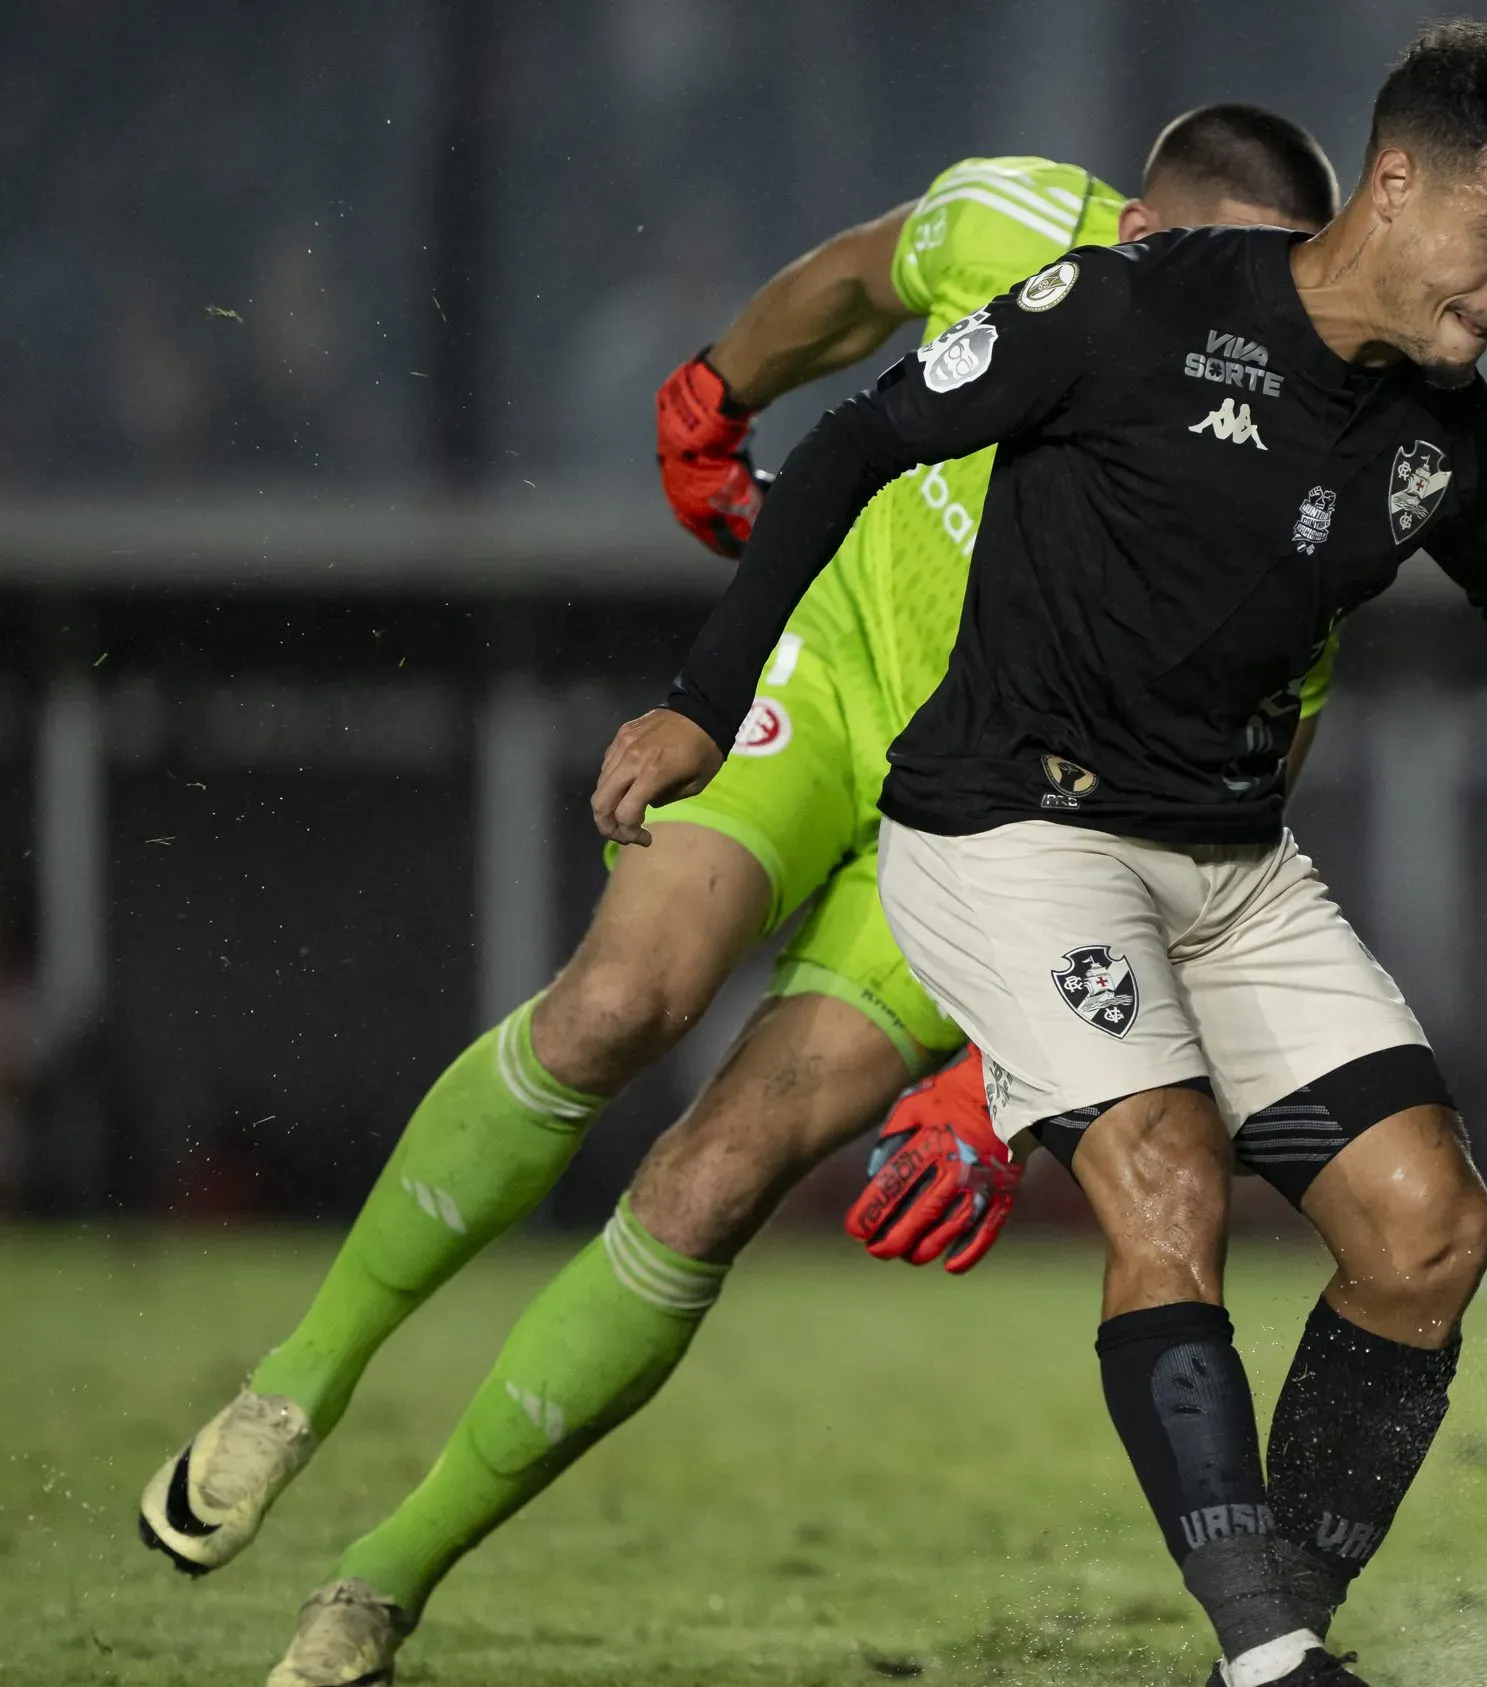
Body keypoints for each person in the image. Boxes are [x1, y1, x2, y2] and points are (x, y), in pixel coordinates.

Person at [137, 108, 1344, 1687]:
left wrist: (994, 1082)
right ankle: (298, 1382)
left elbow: (1228, 813)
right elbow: (853, 282)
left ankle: (381, 1581)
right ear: (1134, 235)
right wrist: (716, 396)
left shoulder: (1303, 462)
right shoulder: (1022, 230)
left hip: (1005, 836)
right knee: (617, 1003)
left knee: (717, 1176)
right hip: (832, 678)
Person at [591, 25, 1487, 1687]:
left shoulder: (1449, 438)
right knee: (1166, 1175)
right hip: (1008, 826)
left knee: (1430, 1234)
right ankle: (1274, 1659)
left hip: (1228, 861)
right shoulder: (1138, 306)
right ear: (1397, 183)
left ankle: (1275, 1609)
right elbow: (859, 442)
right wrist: (702, 701)